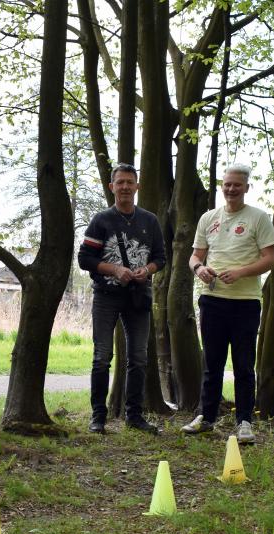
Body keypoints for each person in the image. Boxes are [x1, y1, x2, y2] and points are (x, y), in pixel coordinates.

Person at [182, 164, 274, 444]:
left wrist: (240, 272)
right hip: (212, 300)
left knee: (244, 365)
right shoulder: (208, 218)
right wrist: (199, 268)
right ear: (221, 186)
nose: (231, 189)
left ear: (246, 187)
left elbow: (271, 259)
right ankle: (206, 418)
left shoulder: (259, 218)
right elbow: (195, 256)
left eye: (237, 184)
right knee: (211, 363)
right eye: (227, 184)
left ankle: (245, 422)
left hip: (245, 302)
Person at [77, 163, 165, 434]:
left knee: (138, 358)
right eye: (120, 182)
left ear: (137, 186)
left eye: (130, 182)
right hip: (106, 296)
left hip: (138, 297)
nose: (125, 187)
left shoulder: (150, 221)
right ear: (111, 186)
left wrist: (146, 270)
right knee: (102, 356)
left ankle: (134, 416)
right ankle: (98, 417)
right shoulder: (101, 220)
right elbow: (85, 259)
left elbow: (160, 258)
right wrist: (115, 269)